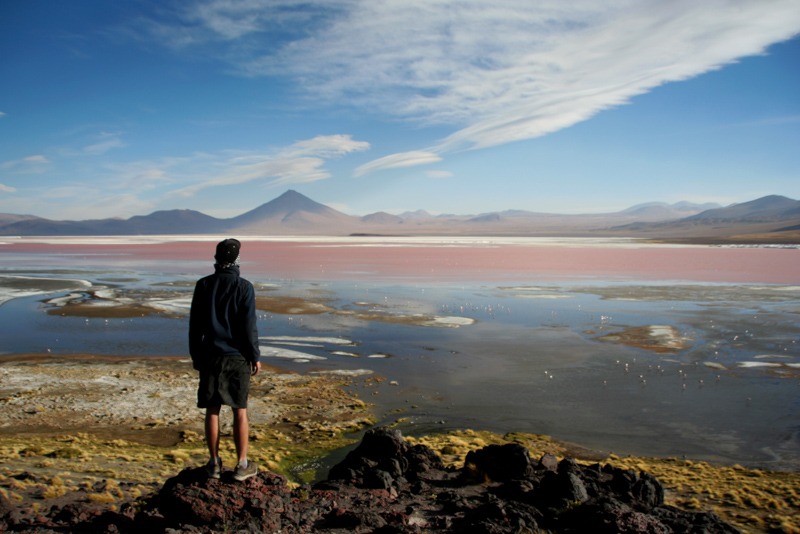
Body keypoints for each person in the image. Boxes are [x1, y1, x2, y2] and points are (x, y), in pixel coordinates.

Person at [189, 238, 261, 481]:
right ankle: (242, 465)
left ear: (216, 258)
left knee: (212, 410)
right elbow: (249, 326)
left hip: (209, 355)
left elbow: (194, 326)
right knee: (239, 410)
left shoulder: (203, 285)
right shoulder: (244, 287)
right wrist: (255, 356)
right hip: (237, 357)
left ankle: (213, 464)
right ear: (237, 259)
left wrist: (196, 356)